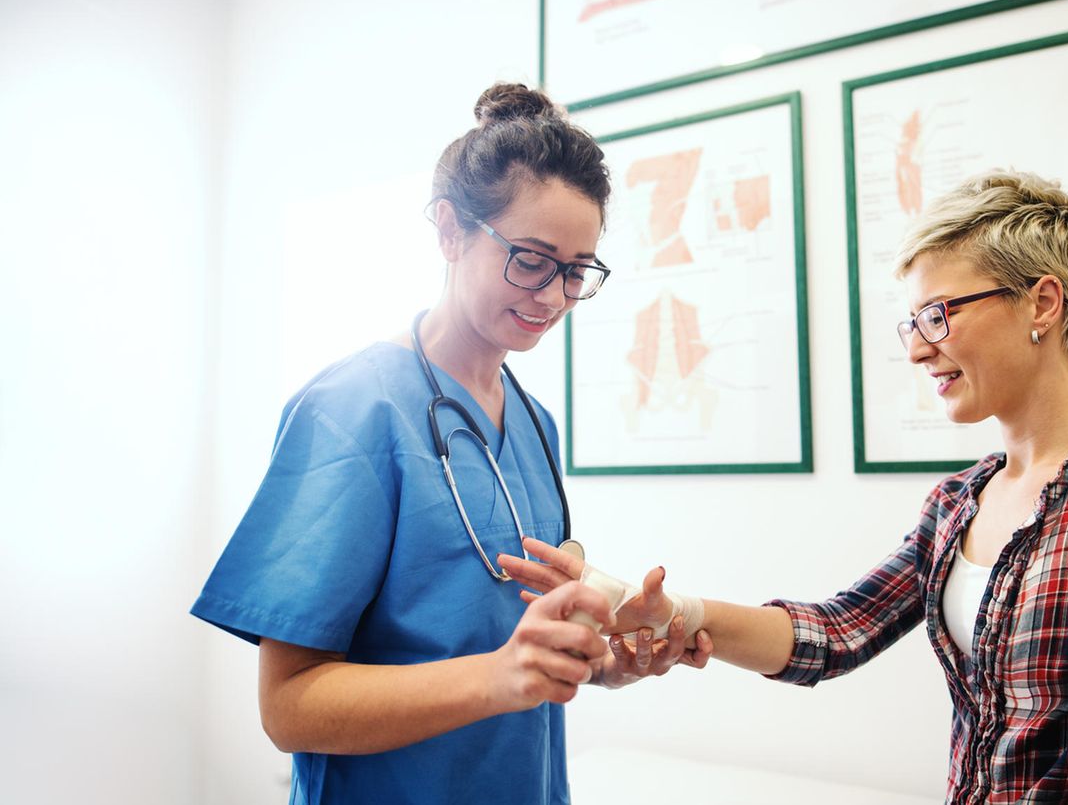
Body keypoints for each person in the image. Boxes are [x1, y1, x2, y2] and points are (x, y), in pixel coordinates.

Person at [506, 170, 1068, 804]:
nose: (920, 346)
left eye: (940, 314)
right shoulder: (959, 503)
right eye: (913, 322)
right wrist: (670, 609)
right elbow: (834, 634)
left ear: (1042, 303)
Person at [191, 82, 703, 805]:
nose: (554, 296)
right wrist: (500, 676)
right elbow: (288, 708)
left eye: (577, 270)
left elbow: (515, 640)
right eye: (530, 259)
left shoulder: (533, 423)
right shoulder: (351, 411)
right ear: (449, 229)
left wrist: (609, 656)